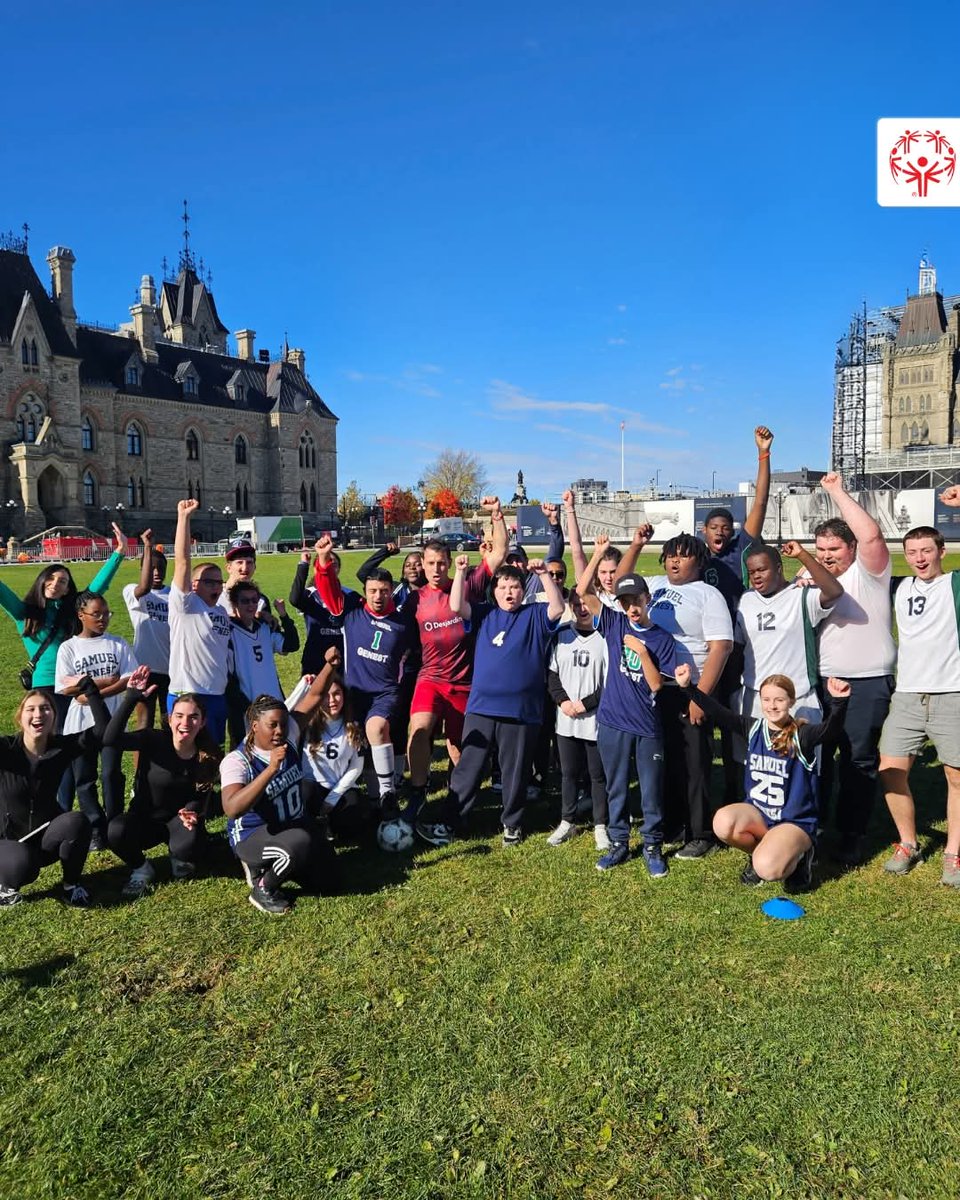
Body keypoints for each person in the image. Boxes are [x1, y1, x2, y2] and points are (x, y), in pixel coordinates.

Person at [416, 555, 564, 847]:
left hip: (521, 712)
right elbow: (457, 606)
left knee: (515, 769)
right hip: (482, 707)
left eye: (515, 587)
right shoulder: (484, 614)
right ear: (493, 591)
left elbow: (558, 608)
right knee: (469, 768)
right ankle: (450, 822)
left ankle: (512, 824)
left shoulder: (534, 614)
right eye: (503, 586)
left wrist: (544, 574)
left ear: (523, 590)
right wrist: (460, 572)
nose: (509, 592)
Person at [674, 663, 850, 889]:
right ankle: (765, 851)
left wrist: (839, 702)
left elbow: (831, 730)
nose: (772, 706)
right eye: (766, 700)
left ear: (791, 702)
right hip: (760, 815)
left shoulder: (802, 735)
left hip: (793, 822)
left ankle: (801, 855)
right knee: (722, 822)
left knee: (767, 868)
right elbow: (717, 711)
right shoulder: (754, 728)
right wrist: (688, 687)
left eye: (779, 700)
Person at [617, 530, 733, 859]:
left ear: (699, 560)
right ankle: (673, 822)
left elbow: (721, 647)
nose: (674, 560)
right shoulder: (653, 585)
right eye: (670, 554)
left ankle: (701, 833)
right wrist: (637, 544)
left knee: (695, 764)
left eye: (683, 555)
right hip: (653, 689)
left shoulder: (708, 594)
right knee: (664, 760)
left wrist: (701, 697)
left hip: (689, 689)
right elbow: (621, 583)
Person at [807, 472, 896, 865]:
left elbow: (873, 536)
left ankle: (852, 834)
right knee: (820, 758)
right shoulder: (810, 579)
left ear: (851, 548)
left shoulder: (870, 572)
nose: (827, 554)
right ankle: (816, 826)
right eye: (820, 548)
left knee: (858, 759)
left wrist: (836, 491)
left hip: (867, 682)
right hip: (823, 682)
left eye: (835, 548)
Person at [578, 534, 679, 876]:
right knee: (616, 785)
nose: (632, 607)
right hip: (612, 722)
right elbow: (583, 594)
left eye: (637, 600)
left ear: (648, 598)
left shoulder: (662, 639)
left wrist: (640, 652)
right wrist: (595, 555)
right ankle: (619, 842)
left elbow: (655, 684)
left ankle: (652, 845)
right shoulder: (615, 622)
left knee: (650, 789)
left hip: (646, 725)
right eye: (626, 602)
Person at [404, 498, 508, 815]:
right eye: (430, 563)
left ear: (449, 563)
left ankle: (458, 800)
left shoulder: (468, 587)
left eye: (441, 563)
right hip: (431, 680)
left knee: (461, 751)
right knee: (419, 730)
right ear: (421, 564)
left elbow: (500, 552)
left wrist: (497, 514)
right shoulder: (415, 601)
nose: (436, 569)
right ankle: (418, 793)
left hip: (464, 684)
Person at [220, 652, 342, 914]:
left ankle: (282, 864)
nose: (279, 731)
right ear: (254, 726)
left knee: (330, 880)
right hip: (254, 834)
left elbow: (314, 697)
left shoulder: (290, 735)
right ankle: (263, 886)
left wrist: (329, 666)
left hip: (291, 825)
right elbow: (231, 808)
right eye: (272, 725)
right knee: (299, 843)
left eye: (283, 724)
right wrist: (271, 769)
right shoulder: (238, 760)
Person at [878, 526, 960, 886]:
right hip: (908, 695)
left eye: (926, 551)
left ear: (941, 551)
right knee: (891, 771)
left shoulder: (954, 585)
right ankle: (908, 843)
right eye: (912, 552)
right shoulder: (898, 586)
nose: (920, 559)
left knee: (956, 779)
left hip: (951, 694)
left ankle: (953, 854)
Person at [311, 535, 416, 815]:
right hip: (354, 691)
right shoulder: (353, 612)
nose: (378, 597)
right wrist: (323, 561)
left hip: (385, 692)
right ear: (365, 591)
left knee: (376, 729)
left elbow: (417, 651)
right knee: (359, 743)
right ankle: (371, 797)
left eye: (383, 591)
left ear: (391, 590)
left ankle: (387, 793)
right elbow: (330, 591)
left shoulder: (404, 622)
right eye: (372, 591)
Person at [700, 425, 774, 803]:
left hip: (738, 649)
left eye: (725, 528)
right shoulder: (695, 556)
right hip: (705, 650)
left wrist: (763, 455)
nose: (721, 533)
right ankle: (699, 789)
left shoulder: (741, 547)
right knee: (700, 719)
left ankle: (735, 791)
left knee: (732, 722)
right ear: (704, 530)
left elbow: (759, 503)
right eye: (715, 528)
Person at [104, 665, 223, 897]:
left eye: (193, 717)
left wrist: (192, 812)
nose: (185, 723)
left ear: (203, 722)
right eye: (179, 716)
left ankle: (178, 856)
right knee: (115, 831)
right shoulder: (153, 740)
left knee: (190, 844)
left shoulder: (208, 754)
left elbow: (201, 797)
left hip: (176, 822)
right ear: (169, 720)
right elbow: (110, 739)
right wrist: (130, 698)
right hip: (144, 819)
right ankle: (141, 869)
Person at [0, 676, 107, 908]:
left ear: (54, 717)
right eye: (31, 709)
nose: (38, 714)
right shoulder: (5, 750)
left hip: (43, 839)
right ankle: (5, 886)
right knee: (22, 863)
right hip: (7, 844)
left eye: (45, 709)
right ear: (20, 718)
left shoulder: (60, 748)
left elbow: (102, 731)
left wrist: (90, 688)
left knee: (76, 820)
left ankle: (71, 886)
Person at [0, 521, 126, 703]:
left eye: (62, 581)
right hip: (46, 684)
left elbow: (97, 588)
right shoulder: (25, 612)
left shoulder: (71, 611)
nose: (55, 584)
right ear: (42, 581)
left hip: (75, 683)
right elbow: (2, 592)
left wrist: (119, 552)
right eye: (51, 578)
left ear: (67, 589)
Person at [55, 591, 137, 848]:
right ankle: (95, 828)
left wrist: (90, 690)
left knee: (112, 773)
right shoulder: (69, 647)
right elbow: (66, 688)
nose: (103, 619)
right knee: (84, 778)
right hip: (80, 723)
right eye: (96, 614)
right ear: (81, 615)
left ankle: (115, 824)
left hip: (112, 721)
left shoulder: (117, 643)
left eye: (106, 614)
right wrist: (105, 681)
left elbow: (127, 679)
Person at [736, 540, 842, 726]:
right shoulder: (746, 600)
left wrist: (802, 555)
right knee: (757, 754)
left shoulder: (801, 595)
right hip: (756, 697)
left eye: (762, 570)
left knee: (800, 754)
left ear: (778, 568)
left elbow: (834, 591)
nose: (756, 576)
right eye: (752, 572)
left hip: (798, 697)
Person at [356, 541, 425, 787]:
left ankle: (397, 771)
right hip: (394, 661)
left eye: (418, 564)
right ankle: (383, 775)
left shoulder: (430, 592)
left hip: (416, 661)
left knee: (402, 720)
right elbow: (364, 575)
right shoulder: (395, 591)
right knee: (388, 720)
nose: (413, 568)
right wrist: (385, 552)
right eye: (408, 565)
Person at [545, 588, 610, 850]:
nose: (582, 608)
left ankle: (600, 825)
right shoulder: (561, 636)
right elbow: (552, 675)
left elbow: (608, 683)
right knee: (568, 773)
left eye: (587, 603)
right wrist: (563, 701)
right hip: (566, 718)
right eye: (577, 603)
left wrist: (586, 703)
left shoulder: (604, 637)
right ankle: (567, 820)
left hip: (593, 719)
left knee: (597, 775)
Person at [167, 498, 232, 745]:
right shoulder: (185, 605)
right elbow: (182, 562)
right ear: (194, 586)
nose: (217, 586)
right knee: (184, 755)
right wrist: (184, 518)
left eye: (219, 582)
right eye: (210, 582)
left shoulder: (221, 612)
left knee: (211, 757)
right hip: (187, 694)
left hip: (217, 695)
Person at [300, 666, 376, 842]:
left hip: (342, 788)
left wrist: (332, 799)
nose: (332, 700)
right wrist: (304, 687)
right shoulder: (306, 726)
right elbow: (285, 713)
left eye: (336, 694)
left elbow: (356, 768)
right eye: (325, 695)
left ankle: (331, 824)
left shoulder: (353, 725)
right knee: (305, 797)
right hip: (314, 787)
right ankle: (317, 825)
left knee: (352, 830)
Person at [226, 583, 299, 746]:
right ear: (234, 603)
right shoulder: (228, 631)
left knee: (279, 747)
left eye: (254, 600)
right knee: (248, 750)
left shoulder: (264, 627)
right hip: (247, 707)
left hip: (274, 701)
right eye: (245, 601)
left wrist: (283, 615)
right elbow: (228, 678)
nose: (250, 605)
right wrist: (244, 706)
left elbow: (292, 645)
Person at [121, 528, 170, 734]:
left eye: (161, 568)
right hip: (145, 669)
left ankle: (171, 767)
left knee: (171, 723)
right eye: (151, 568)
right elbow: (144, 588)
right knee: (144, 724)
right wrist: (147, 547)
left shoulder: (174, 594)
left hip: (172, 669)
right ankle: (142, 767)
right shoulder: (133, 591)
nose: (156, 572)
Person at [289, 540, 347, 673]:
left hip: (341, 657)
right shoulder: (310, 594)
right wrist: (303, 565)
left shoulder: (348, 595)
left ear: (339, 569)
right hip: (315, 656)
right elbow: (294, 599)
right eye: (326, 562)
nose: (330, 566)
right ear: (317, 567)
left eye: (334, 564)